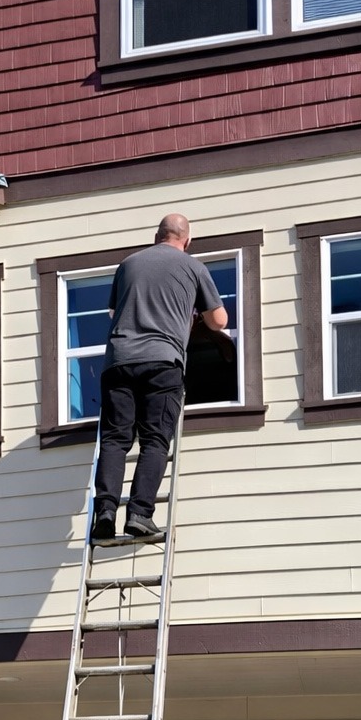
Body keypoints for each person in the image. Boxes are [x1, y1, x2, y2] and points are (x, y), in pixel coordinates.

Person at [92, 213, 229, 540]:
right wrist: (190, 312)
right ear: (187, 240)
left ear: (157, 235)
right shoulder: (194, 268)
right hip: (162, 361)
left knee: (115, 439)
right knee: (154, 438)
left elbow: (114, 312)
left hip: (119, 360)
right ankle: (139, 513)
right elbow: (220, 321)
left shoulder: (128, 264)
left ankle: (106, 512)